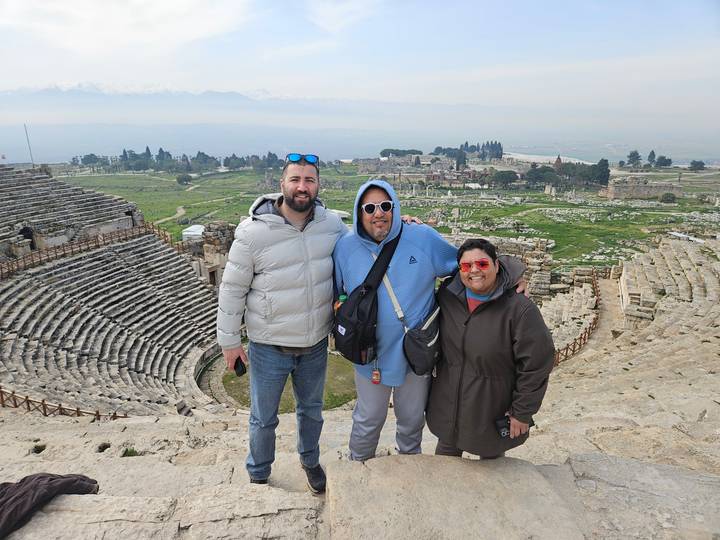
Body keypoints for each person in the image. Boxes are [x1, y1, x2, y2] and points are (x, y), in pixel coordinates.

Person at [333, 180, 526, 461]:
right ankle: (356, 468)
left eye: (386, 206)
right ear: (359, 212)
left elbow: (466, 265)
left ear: (396, 208)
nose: (379, 213)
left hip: (415, 354)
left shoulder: (421, 237)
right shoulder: (345, 249)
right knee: (368, 419)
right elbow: (336, 290)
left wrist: (511, 275)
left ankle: (411, 472)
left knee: (411, 420)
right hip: (370, 355)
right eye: (370, 207)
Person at [216, 153, 346, 493]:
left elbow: (362, 244)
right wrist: (229, 343)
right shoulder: (252, 232)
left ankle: (310, 460)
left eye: (309, 180)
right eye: (295, 179)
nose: (302, 187)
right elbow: (232, 290)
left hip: (315, 344)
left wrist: (403, 225)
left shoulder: (331, 224)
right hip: (268, 346)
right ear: (281, 185)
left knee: (312, 412)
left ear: (318, 185)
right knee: (263, 418)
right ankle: (258, 471)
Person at [426, 238, 555, 458]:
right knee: (443, 472)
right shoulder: (448, 295)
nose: (474, 270)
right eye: (466, 266)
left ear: (497, 265)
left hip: (492, 409)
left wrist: (522, 412)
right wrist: (409, 223)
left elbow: (537, 364)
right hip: (449, 409)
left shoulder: (520, 309)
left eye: (483, 264)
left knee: (493, 471)